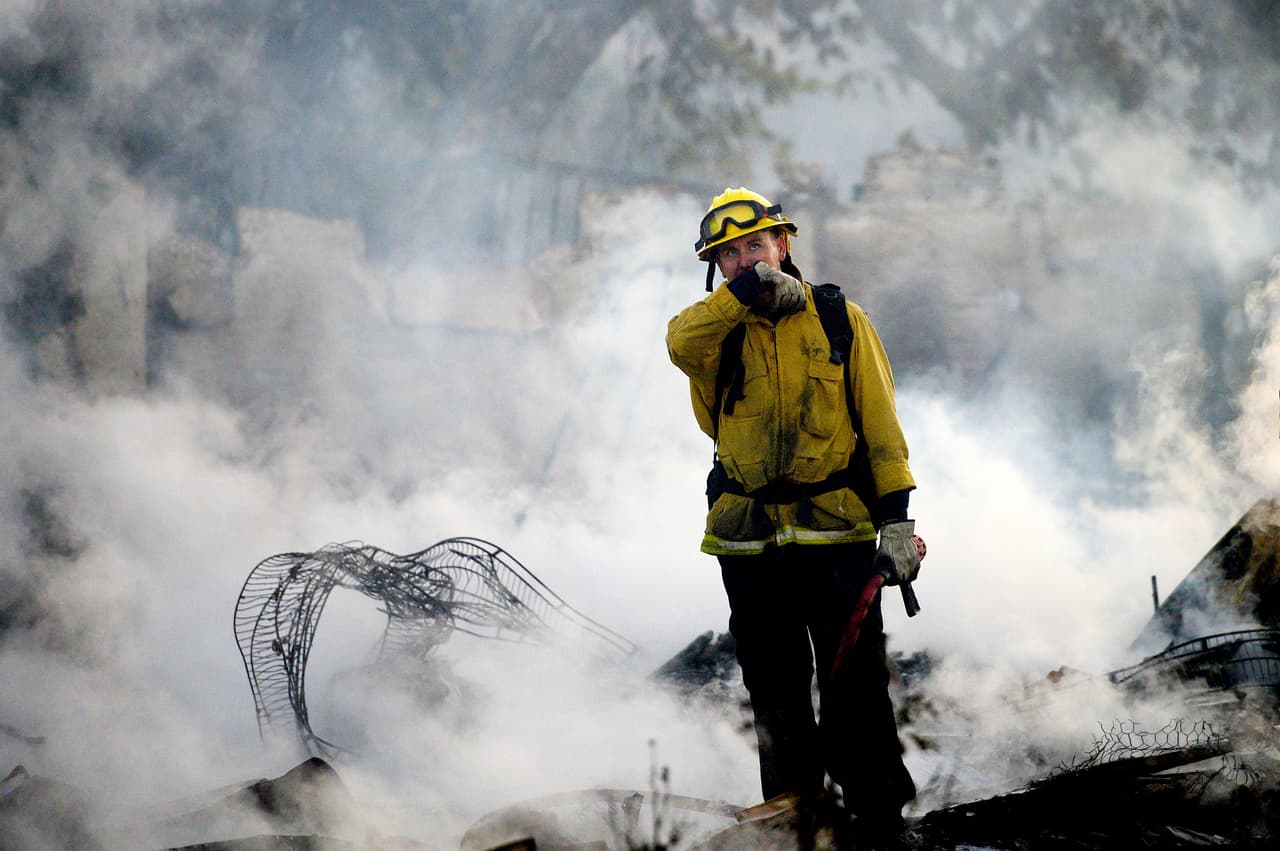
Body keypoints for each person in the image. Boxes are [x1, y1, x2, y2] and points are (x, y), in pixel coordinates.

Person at [666, 187, 924, 844]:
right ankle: (795, 824)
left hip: (837, 536)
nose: (745, 261)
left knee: (857, 694)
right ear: (716, 269)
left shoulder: (841, 319)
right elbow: (676, 342)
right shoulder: (714, 331)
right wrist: (741, 296)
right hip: (750, 545)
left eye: (756, 245)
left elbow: (883, 429)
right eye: (728, 256)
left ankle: (877, 825)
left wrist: (896, 521)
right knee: (775, 693)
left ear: (785, 244)